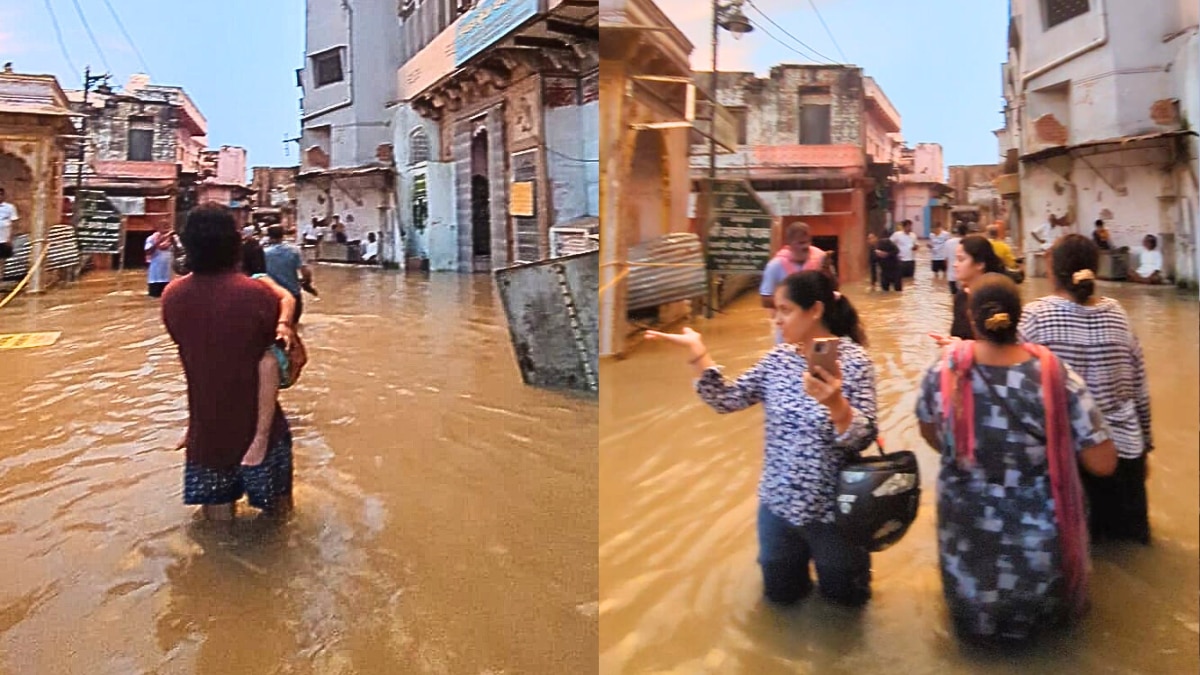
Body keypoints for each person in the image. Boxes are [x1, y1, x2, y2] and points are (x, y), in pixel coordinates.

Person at [646, 270, 878, 607]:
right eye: (775, 310)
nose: (777, 320)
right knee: (780, 600)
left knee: (846, 606)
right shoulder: (778, 360)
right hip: (777, 509)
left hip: (835, 514)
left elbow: (863, 438)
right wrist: (697, 353)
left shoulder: (856, 363)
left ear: (814, 310)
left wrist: (836, 404)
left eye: (785, 311)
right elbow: (726, 399)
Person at [916, 273, 1117, 645]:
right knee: (1050, 644)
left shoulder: (944, 374)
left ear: (973, 320)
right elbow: (1103, 463)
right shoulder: (1056, 377)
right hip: (1039, 554)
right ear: (1018, 318)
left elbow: (931, 434)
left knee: (972, 642)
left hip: (966, 551)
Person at [162, 203, 294, 521]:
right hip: (259, 429)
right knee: (278, 519)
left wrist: (193, 424)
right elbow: (269, 366)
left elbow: (193, 362)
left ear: (188, 244)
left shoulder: (172, 297)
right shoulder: (258, 295)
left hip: (207, 431)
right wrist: (260, 438)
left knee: (216, 525)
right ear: (234, 242)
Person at [1020, 235, 1153, 544]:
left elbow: (1012, 384)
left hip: (1066, 460)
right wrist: (1147, 446)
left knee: (1078, 561)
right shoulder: (1118, 314)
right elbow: (1139, 388)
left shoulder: (1035, 317)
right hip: (1125, 455)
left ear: (1053, 271)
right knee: (1130, 552)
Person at [929, 234, 1006, 346]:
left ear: (980, 264)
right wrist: (950, 341)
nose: (955, 265)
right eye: (956, 259)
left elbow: (1000, 346)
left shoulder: (997, 298)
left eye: (961, 259)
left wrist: (962, 346)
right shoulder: (961, 295)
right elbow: (959, 336)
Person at [760, 222, 827, 342]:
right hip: (787, 333)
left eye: (808, 241)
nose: (806, 246)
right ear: (790, 244)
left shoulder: (820, 260)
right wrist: (793, 305)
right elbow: (765, 299)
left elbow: (831, 292)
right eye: (801, 243)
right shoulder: (775, 266)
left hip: (815, 332)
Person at [264, 224, 313, 324]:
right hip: (293, 294)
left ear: (269, 236)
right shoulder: (294, 251)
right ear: (283, 235)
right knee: (294, 326)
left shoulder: (264, 253)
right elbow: (306, 271)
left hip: (273, 295)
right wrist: (306, 282)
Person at [144, 222, 175, 298]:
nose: (166, 229)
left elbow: (180, 251)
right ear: (158, 228)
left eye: (167, 226)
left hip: (169, 275)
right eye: (164, 227)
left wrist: (173, 241)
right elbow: (148, 251)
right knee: (154, 298)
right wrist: (158, 242)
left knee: (168, 297)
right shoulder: (151, 238)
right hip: (155, 276)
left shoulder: (173, 238)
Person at [0, 186, 17, 280]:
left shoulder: (10, 208)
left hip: (4, 239)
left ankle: (0, 279)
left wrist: (10, 238)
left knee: (2, 260)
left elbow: (13, 223)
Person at [944, 223, 967, 295]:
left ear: (956, 231)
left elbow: (946, 260)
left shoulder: (948, 242)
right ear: (966, 231)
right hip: (965, 276)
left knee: (953, 297)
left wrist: (948, 272)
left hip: (952, 276)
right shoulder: (969, 242)